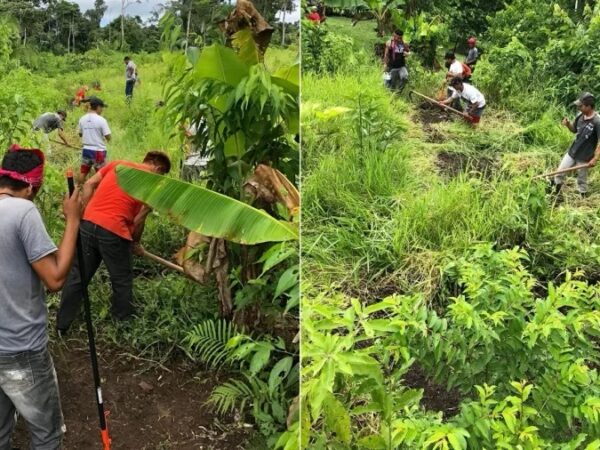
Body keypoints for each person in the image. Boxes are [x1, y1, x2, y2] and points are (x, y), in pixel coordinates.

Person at [0, 145, 81, 449]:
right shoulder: (23, 211)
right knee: (47, 434)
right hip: (20, 349)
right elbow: (55, 277)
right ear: (33, 186)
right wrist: (73, 219)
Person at [56, 152, 172, 334]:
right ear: (158, 167)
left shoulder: (118, 163)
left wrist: (84, 213)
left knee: (78, 276)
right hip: (115, 231)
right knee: (122, 280)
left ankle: (62, 326)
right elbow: (139, 219)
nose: (160, 178)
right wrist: (135, 242)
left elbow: (89, 184)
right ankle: (122, 324)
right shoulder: (151, 184)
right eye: (162, 174)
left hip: (88, 224)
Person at [550, 92, 600, 197]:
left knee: (581, 182)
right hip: (572, 151)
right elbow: (574, 129)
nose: (578, 108)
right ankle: (556, 197)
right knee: (559, 173)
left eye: (581, 106)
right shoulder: (580, 116)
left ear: (589, 106)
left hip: (584, 157)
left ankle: (583, 200)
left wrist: (595, 159)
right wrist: (568, 124)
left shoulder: (597, 121)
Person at [78, 97, 111, 184]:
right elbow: (108, 136)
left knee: (83, 172)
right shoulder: (101, 120)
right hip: (98, 151)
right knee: (101, 174)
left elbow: (80, 134)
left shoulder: (82, 119)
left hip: (86, 150)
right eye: (102, 108)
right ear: (98, 107)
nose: (102, 110)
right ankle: (100, 192)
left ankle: (79, 189)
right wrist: (105, 138)